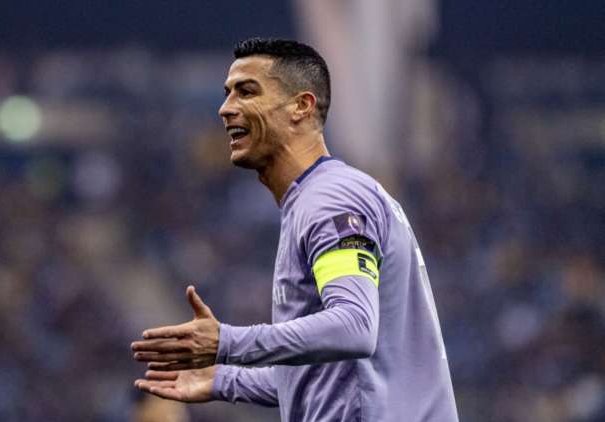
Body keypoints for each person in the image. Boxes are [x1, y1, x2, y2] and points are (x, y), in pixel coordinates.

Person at [131, 37, 459, 422]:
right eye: (227, 94)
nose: (226, 108)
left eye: (246, 92)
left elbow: (354, 326)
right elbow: (330, 376)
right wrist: (224, 380)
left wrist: (227, 342)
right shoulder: (315, 200)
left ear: (301, 106)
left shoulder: (332, 201)